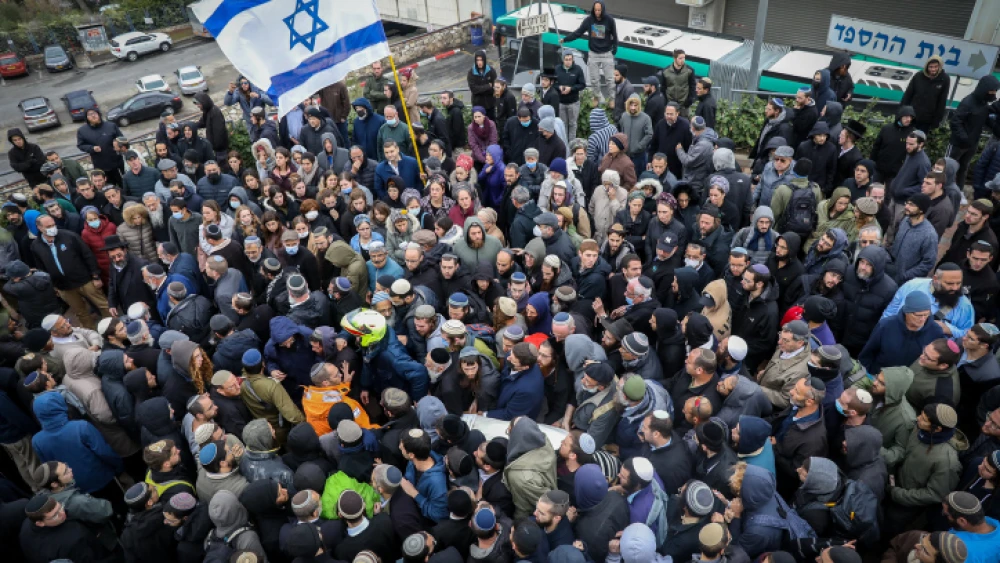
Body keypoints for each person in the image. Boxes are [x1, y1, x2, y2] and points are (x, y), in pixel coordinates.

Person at [30, 214, 109, 330]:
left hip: (85, 281)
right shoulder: (36, 246)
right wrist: (54, 286)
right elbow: (42, 267)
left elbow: (87, 255)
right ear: (39, 227)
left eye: (53, 225)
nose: (52, 228)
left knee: (103, 305)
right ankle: (92, 335)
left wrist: (95, 276)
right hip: (64, 287)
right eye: (48, 226)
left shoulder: (69, 236)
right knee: (80, 312)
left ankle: (113, 327)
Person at [561, 1, 618, 104]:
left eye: (599, 10)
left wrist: (615, 47)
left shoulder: (609, 20)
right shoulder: (589, 20)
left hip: (606, 53)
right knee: (594, 80)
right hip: (593, 53)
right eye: (595, 10)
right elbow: (578, 32)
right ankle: (597, 97)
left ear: (603, 9)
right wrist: (565, 39)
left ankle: (612, 99)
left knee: (610, 79)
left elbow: (614, 34)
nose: (597, 12)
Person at [949, 75, 1000, 188]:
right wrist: (964, 138)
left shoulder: (984, 104)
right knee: (949, 167)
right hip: (958, 144)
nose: (993, 94)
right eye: (992, 91)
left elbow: (985, 120)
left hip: (972, 143)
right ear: (985, 89)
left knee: (963, 168)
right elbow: (955, 121)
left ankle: (959, 190)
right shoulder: (968, 102)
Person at [890, 193, 941, 285]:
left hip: (905, 282)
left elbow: (928, 263)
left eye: (912, 205)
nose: (906, 206)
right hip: (891, 273)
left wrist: (906, 275)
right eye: (907, 203)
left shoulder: (929, 234)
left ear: (921, 210)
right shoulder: (905, 220)